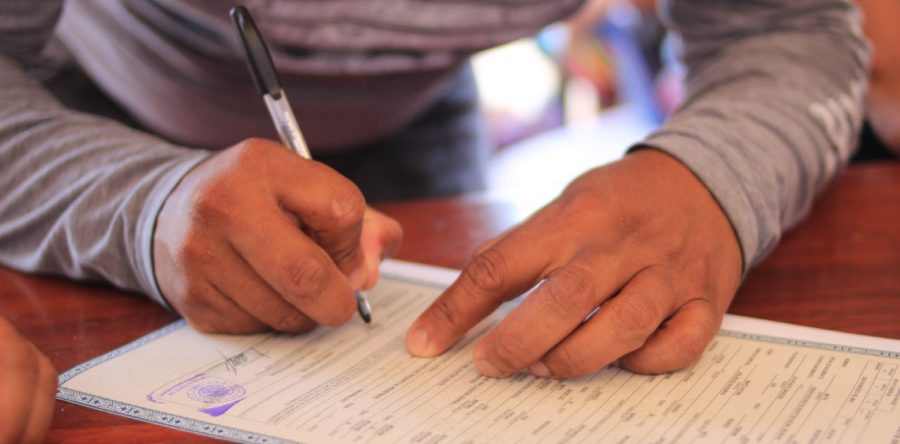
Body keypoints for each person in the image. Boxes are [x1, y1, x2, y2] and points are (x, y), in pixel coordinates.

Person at [0, 0, 868, 434]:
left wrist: (706, 180)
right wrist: (139, 202)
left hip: (419, 114)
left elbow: (787, 30)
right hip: (85, 123)